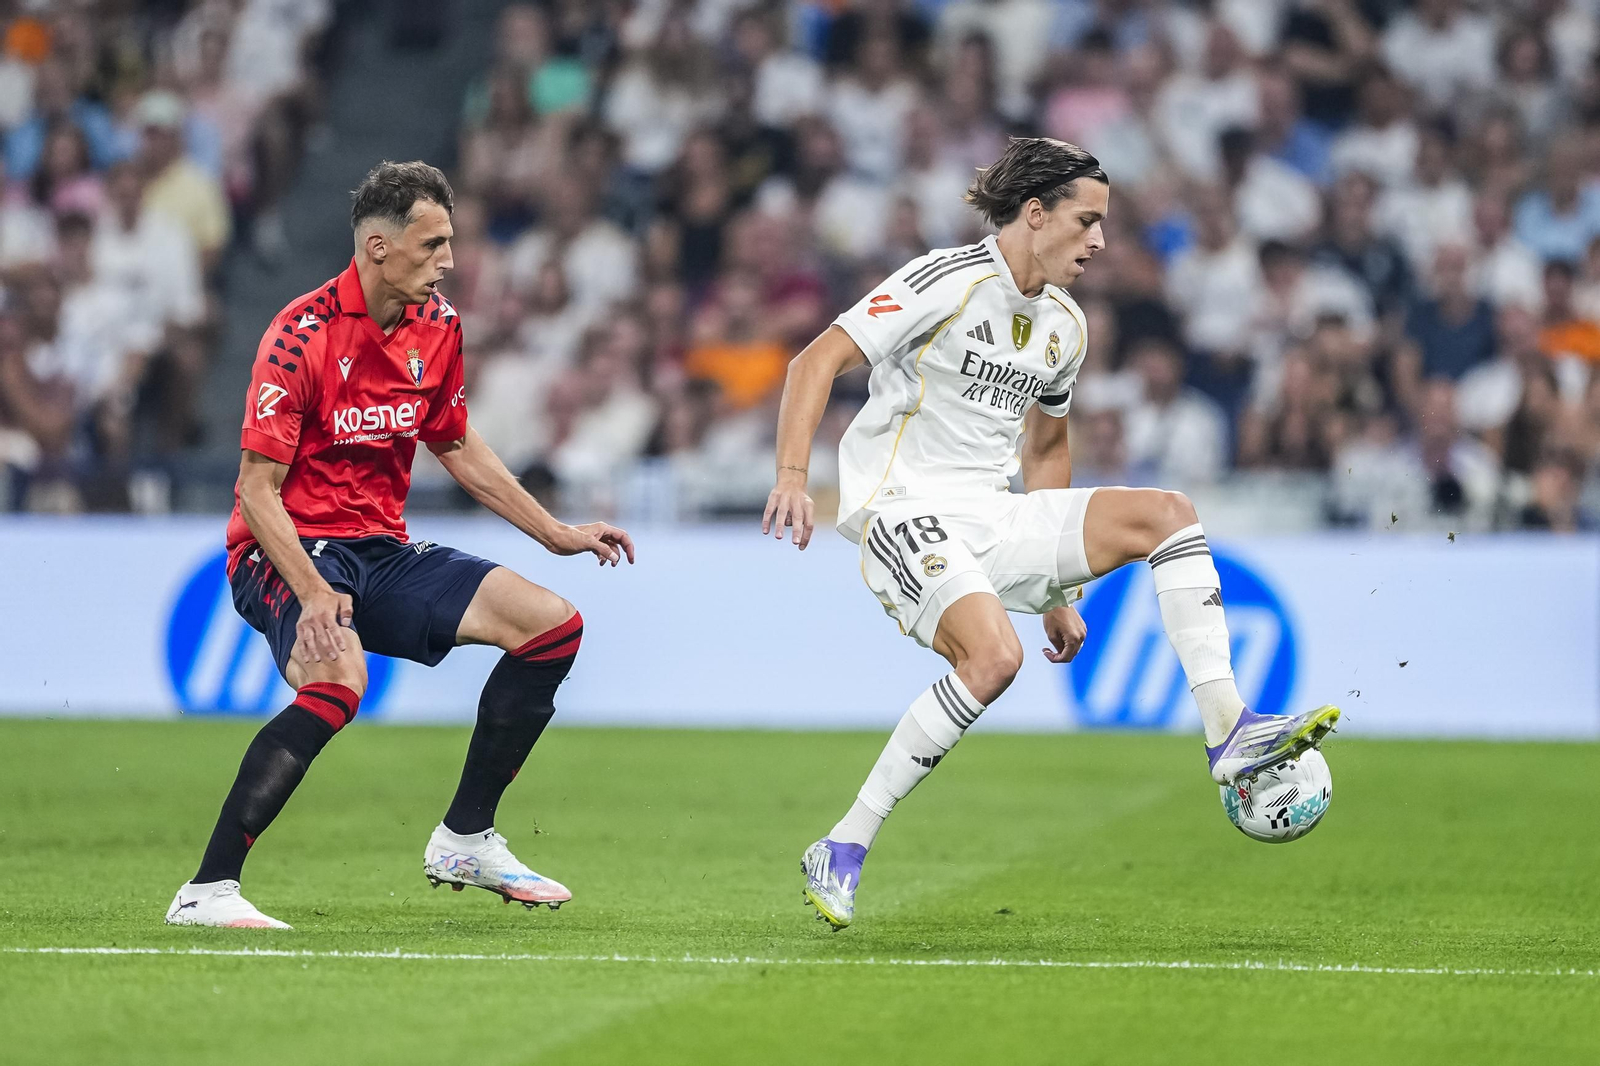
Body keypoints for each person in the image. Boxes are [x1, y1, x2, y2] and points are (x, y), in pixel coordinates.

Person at [761, 138, 1338, 930]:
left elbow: (1047, 446)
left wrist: (1059, 591)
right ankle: (846, 843)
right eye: (1088, 221)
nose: (1101, 242)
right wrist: (793, 478)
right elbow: (813, 362)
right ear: (1036, 215)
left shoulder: (1066, 325)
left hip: (995, 513)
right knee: (995, 658)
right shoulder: (944, 281)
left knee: (1168, 512)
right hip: (904, 505)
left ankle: (1227, 730)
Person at [165, 161, 634, 930]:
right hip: (284, 551)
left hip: (379, 550)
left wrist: (554, 533)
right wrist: (315, 592)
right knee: (338, 681)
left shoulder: (438, 327)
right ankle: (207, 890)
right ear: (378, 246)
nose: (448, 260)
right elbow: (256, 490)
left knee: (552, 625)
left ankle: (465, 837)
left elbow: (455, 442)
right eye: (433, 243)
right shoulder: (299, 336)